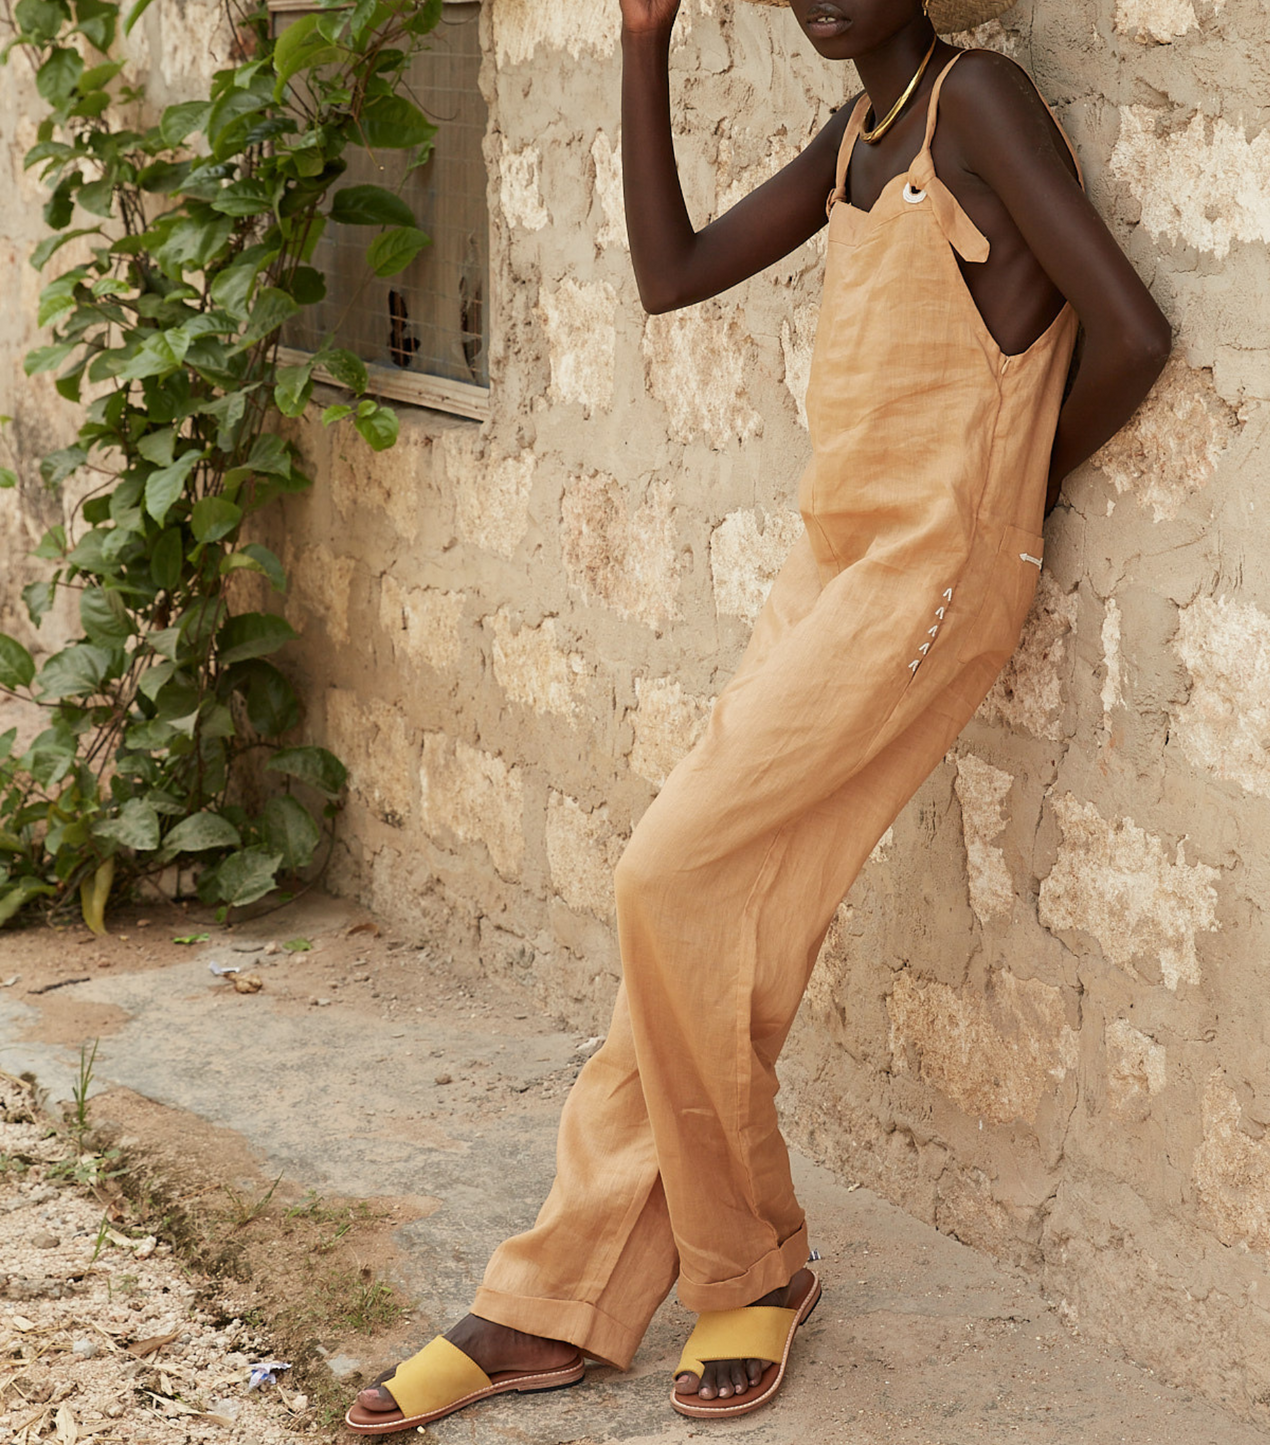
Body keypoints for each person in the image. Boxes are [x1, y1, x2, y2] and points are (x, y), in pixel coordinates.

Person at [346, 0, 1170, 1433]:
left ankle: (750, 1262)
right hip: (831, 568)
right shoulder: (855, 136)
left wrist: (1006, 509)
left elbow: (1138, 333)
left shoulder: (979, 103)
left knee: (664, 876)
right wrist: (641, 39)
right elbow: (668, 277)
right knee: (703, 928)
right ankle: (555, 1297)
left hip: (924, 581)